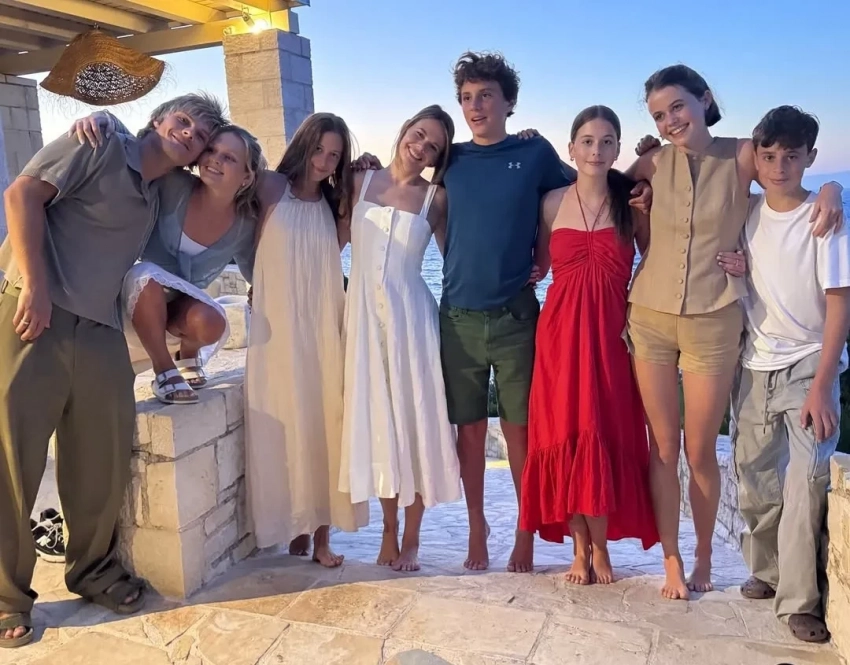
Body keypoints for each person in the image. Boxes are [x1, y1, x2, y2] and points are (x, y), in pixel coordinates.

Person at [356, 51, 652, 573]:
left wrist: (644, 177)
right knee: (468, 432)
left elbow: (591, 182)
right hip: (458, 318)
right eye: (467, 98)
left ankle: (525, 531)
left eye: (486, 96)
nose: (476, 106)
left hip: (518, 317)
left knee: (522, 433)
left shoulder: (534, 152)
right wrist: (365, 167)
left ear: (509, 102)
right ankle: (477, 526)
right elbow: (409, 186)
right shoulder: (452, 159)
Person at [0, 93, 225, 649]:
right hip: (33, 312)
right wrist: (34, 285)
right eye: (183, 121)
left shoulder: (159, 189)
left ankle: (93, 569)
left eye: (200, 135)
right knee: (12, 459)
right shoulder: (97, 143)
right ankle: (6, 597)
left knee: (102, 455)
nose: (189, 134)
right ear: (159, 119)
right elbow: (21, 193)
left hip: (99, 325)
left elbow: (237, 181)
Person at [626, 65, 844, 600]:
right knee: (662, 448)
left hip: (715, 320)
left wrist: (833, 188)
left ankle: (703, 554)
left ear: (704, 100)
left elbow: (788, 183)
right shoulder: (653, 161)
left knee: (700, 449)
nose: (670, 121)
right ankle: (672, 559)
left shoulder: (745, 153)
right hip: (649, 316)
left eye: (678, 107)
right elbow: (605, 186)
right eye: (659, 115)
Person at [732, 106, 849, 643]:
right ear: (755, 158)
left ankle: (800, 601)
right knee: (754, 477)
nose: (779, 167)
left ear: (810, 158)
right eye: (769, 156)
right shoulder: (747, 211)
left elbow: (840, 304)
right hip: (755, 363)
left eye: (791, 156)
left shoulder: (826, 219)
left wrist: (823, 385)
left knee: (804, 479)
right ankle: (769, 569)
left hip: (808, 365)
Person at [338, 105, 462, 572]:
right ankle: (388, 528)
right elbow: (329, 239)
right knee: (380, 426)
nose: (422, 146)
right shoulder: (359, 181)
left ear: (439, 157)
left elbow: (457, 262)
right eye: (419, 133)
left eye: (434, 146)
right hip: (364, 325)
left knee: (415, 424)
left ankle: (412, 537)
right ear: (405, 129)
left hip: (412, 324)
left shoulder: (437, 199)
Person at [68, 114, 264, 404]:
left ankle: (188, 352)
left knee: (211, 322)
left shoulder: (244, 224)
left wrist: (263, 293)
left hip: (180, 307)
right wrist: (105, 118)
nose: (215, 159)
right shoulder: (173, 184)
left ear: (246, 177)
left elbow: (256, 272)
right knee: (146, 274)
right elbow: (143, 145)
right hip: (134, 296)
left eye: (229, 158)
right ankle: (164, 370)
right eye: (211, 150)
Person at [246, 112, 368, 567]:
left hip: (322, 327)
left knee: (324, 426)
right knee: (284, 426)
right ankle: (293, 525)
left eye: (334, 155)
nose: (324, 161)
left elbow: (341, 246)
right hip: (276, 330)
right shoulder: (269, 186)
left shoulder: (335, 203)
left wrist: (363, 170)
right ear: (303, 145)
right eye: (318, 149)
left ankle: (321, 537)